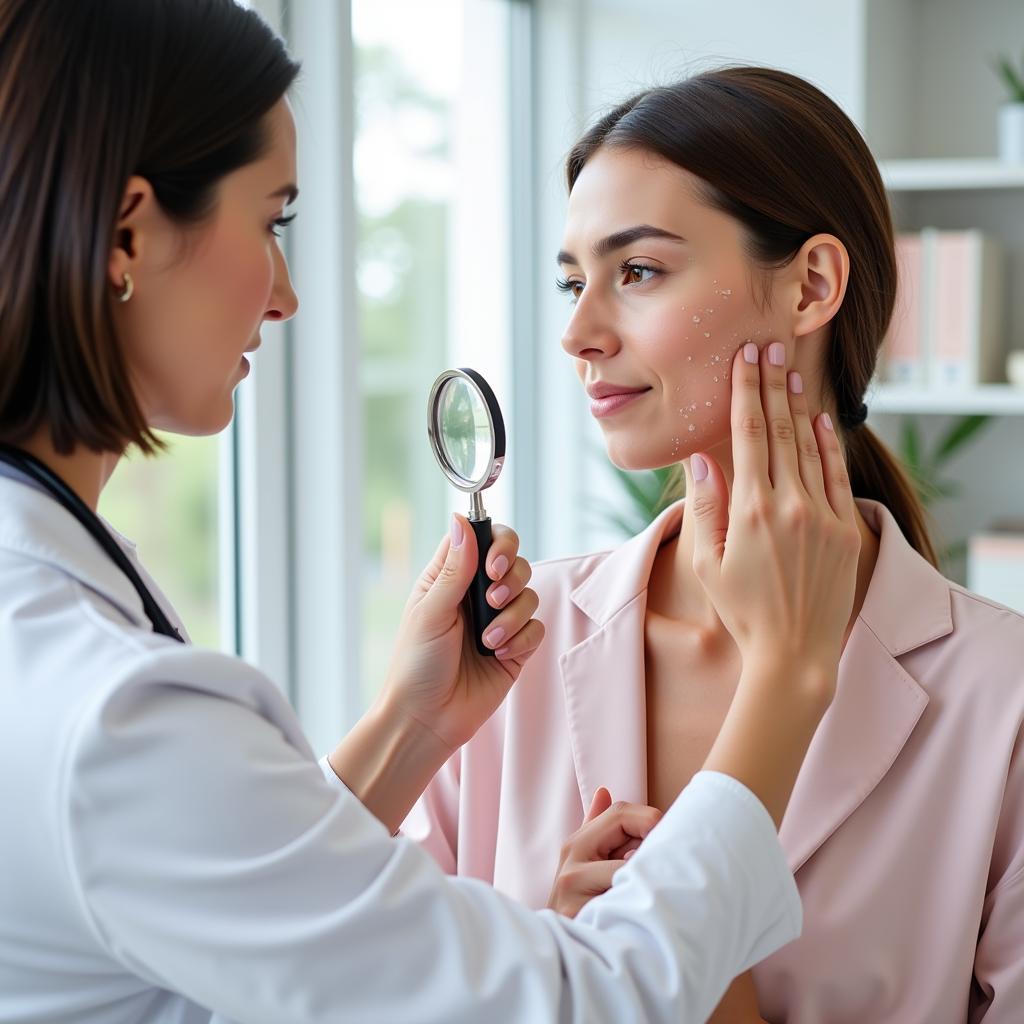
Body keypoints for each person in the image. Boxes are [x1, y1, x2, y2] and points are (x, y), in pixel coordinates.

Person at [0, 5, 860, 1020]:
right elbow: (584, 1002)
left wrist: (413, 726)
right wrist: (791, 676)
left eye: (635, 271)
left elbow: (251, 911)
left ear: (811, 285)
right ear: (128, 232)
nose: (286, 295)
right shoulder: (109, 718)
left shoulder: (989, 683)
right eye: (272, 219)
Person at [403, 67, 1024, 1023]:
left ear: (811, 284)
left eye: (638, 271)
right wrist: (556, 975)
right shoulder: (501, 654)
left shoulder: (1003, 698)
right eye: (574, 281)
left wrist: (685, 975)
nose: (578, 331)